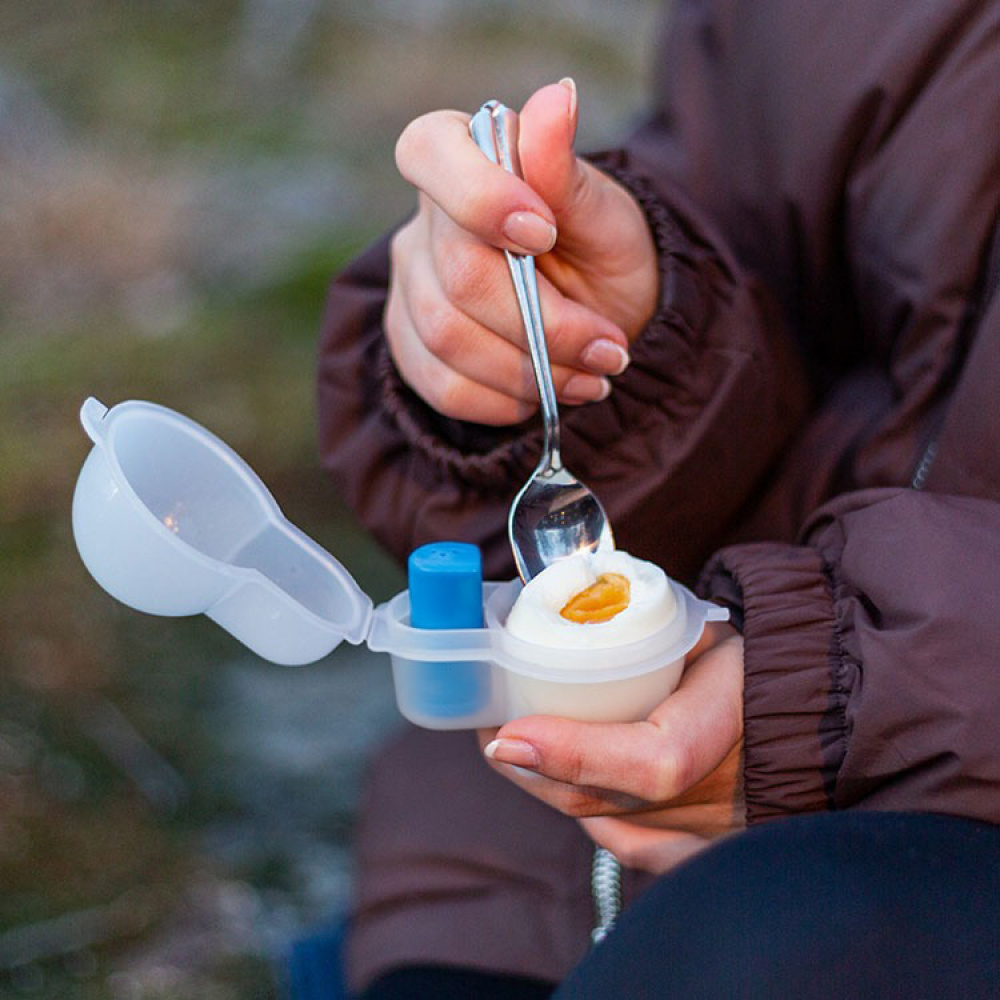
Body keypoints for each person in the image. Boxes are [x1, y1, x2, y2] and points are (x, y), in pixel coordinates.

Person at [316, 0, 1000, 996]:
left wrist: (850, 695)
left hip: (861, 909)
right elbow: (749, 215)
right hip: (525, 864)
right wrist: (616, 333)